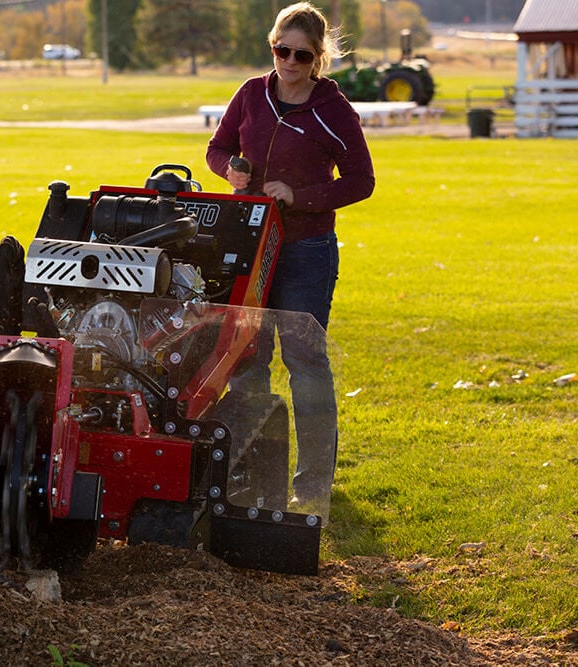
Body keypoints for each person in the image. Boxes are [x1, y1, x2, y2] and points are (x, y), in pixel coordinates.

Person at [205, 1, 374, 509]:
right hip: (251, 249)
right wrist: (229, 171)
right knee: (247, 359)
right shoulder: (251, 95)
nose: (290, 62)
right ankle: (253, 477)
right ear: (272, 46)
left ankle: (313, 484)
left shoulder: (334, 110)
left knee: (305, 362)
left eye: (302, 54)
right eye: (283, 51)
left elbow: (362, 182)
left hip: (306, 250)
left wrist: (300, 195)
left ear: (318, 58)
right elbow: (217, 149)